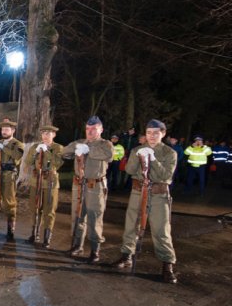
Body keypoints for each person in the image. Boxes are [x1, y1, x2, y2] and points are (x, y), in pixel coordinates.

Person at [111, 119, 178, 284]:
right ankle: (127, 255)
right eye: (149, 133)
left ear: (163, 134)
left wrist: (153, 159)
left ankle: (167, 265)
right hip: (137, 191)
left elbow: (165, 176)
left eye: (156, 133)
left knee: (160, 229)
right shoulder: (137, 150)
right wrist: (138, 155)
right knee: (131, 225)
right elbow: (129, 170)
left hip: (158, 193)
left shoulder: (169, 153)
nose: (152, 136)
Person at [62, 116, 114, 263]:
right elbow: (65, 152)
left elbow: (109, 156)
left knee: (94, 217)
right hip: (78, 185)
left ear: (101, 130)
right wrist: (77, 148)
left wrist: (88, 149)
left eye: (94, 129)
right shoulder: (79, 142)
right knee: (77, 216)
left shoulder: (106, 144)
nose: (90, 132)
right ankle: (77, 246)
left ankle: (95, 250)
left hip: (95, 186)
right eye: (88, 129)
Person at [25, 125, 64, 248]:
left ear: (54, 135)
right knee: (34, 208)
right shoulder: (35, 147)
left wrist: (46, 151)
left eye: (49, 133)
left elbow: (57, 163)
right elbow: (27, 162)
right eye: (43, 133)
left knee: (49, 210)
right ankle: (34, 233)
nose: (45, 136)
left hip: (50, 182)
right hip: (36, 181)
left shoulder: (58, 148)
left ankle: (47, 238)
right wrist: (35, 153)